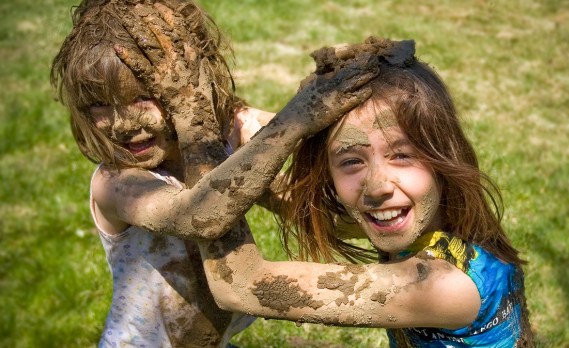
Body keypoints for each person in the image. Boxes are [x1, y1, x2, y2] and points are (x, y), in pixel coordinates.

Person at [50, 1, 378, 346]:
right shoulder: (116, 182)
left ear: (189, 77)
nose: (122, 123)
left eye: (143, 96)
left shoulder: (228, 133)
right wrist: (298, 120)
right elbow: (202, 214)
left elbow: (321, 161)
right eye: (98, 104)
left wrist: (349, 88)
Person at [202, 37, 534, 347]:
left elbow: (241, 286)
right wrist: (234, 121)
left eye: (402, 155)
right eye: (351, 161)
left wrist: (201, 153)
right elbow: (301, 201)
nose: (376, 187)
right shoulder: (441, 214)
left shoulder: (445, 286)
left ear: (443, 157)